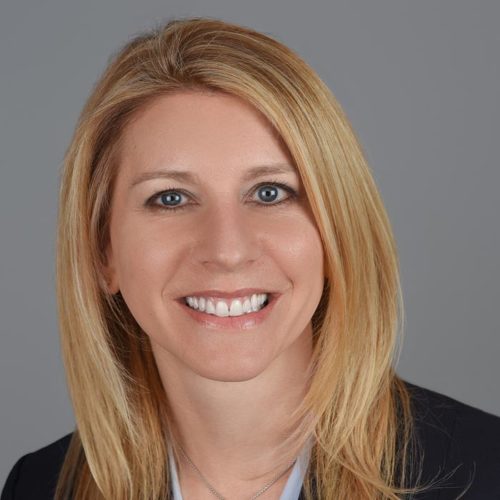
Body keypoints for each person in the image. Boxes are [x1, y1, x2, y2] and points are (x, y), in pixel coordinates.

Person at [2, 16, 499, 500]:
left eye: (269, 193)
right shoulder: (39, 487)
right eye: (170, 198)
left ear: (337, 233)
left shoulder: (486, 473)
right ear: (103, 252)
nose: (227, 250)